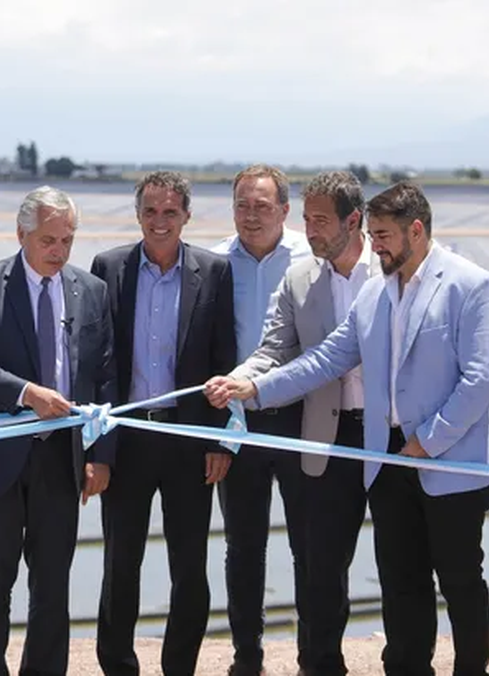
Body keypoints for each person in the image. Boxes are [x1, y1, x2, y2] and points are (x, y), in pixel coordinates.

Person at [208, 181, 489, 676]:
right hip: (386, 458)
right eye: (373, 233)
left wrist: (426, 442)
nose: (377, 244)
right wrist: (255, 390)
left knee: (458, 580)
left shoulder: (471, 284)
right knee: (401, 579)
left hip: (451, 461)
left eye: (384, 234)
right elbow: (326, 359)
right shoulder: (377, 291)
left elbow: (483, 379)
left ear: (416, 229)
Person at [0, 185, 117, 676]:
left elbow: (105, 374)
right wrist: (28, 393)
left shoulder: (91, 291)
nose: (58, 251)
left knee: (51, 588)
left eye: (67, 240)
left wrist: (100, 454)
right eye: (48, 240)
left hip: (60, 462)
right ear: (21, 233)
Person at [225, 171, 378, 676]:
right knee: (320, 560)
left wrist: (257, 385)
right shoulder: (300, 278)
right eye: (308, 220)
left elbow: (328, 358)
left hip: (390, 436)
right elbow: (274, 347)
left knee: (401, 561)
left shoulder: (391, 270)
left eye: (320, 220)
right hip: (322, 431)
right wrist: (239, 381)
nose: (311, 232)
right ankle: (319, 663)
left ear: (353, 220)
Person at [90, 170, 237, 676]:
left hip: (187, 438)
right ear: (137, 214)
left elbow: (225, 358)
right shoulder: (108, 268)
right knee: (120, 562)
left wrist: (220, 437)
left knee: (189, 566)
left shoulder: (214, 271)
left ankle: (180, 666)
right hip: (127, 438)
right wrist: (98, 450)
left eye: (170, 212)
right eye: (150, 211)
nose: (159, 221)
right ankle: (118, 665)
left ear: (187, 216)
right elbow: (99, 363)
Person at [209, 164, 310, 676]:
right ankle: (247, 656)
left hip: (300, 418)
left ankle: (316, 655)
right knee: (243, 545)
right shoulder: (213, 262)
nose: (251, 216)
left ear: (285, 212)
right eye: (242, 205)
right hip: (238, 423)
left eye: (262, 206)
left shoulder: (309, 260)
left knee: (309, 542)